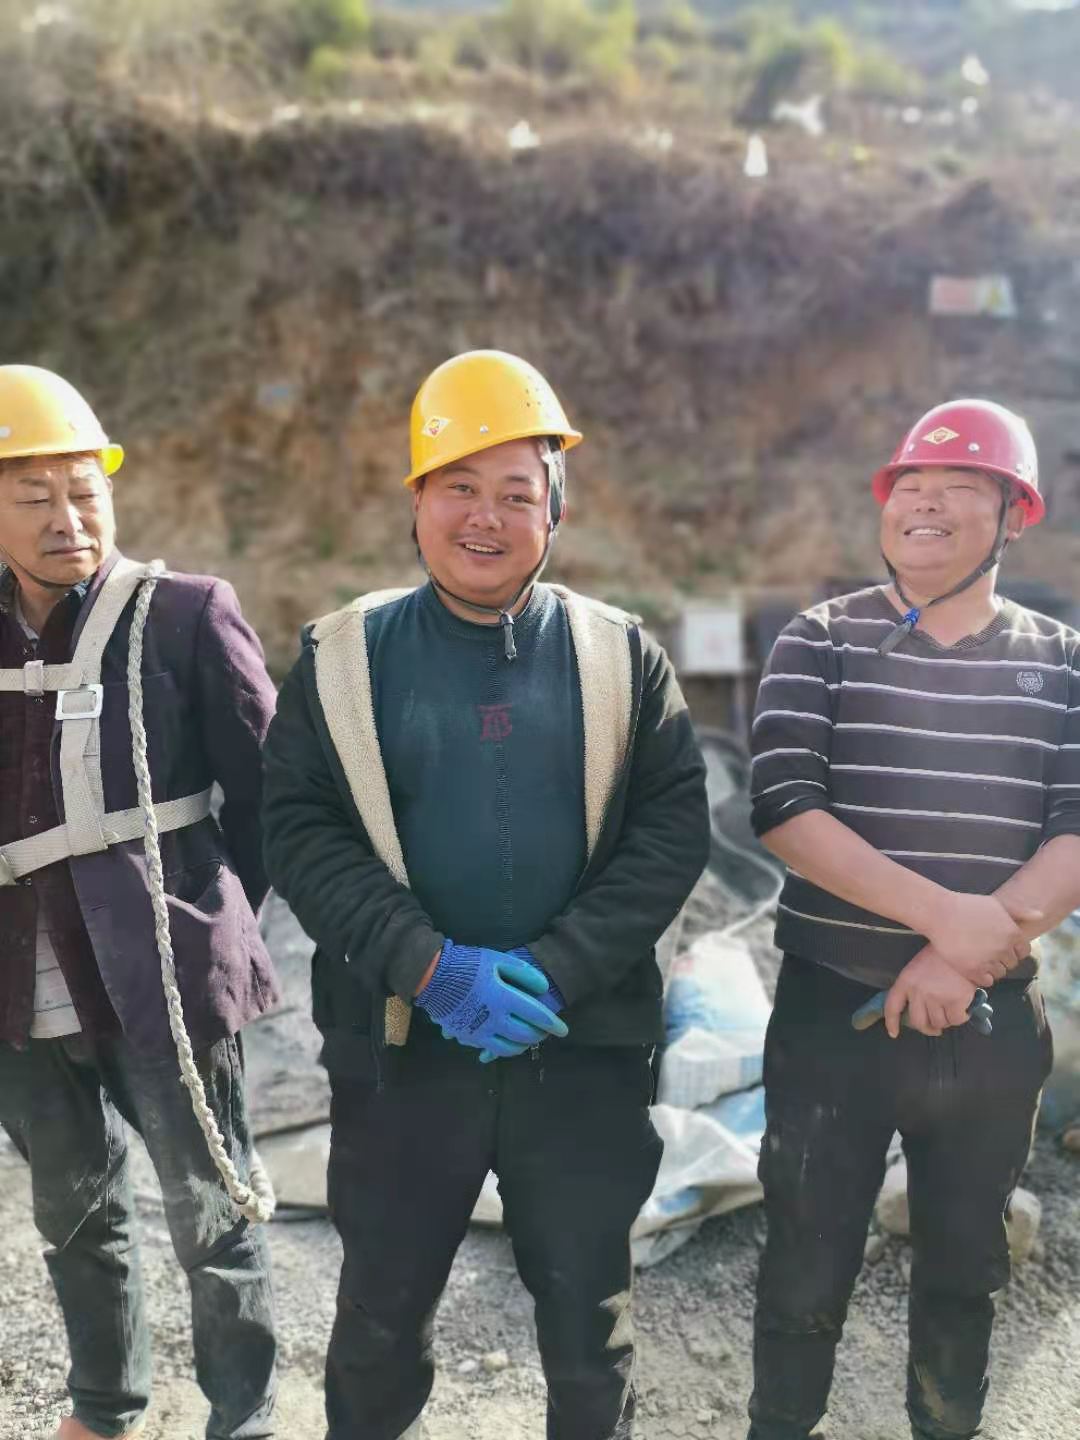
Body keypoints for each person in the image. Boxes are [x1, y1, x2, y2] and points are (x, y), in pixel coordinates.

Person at [262, 349, 710, 1440]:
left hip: (582, 1050)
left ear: (555, 509)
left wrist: (557, 970)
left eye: (517, 492)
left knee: (589, 1323)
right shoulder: (342, 659)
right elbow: (301, 832)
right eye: (459, 486)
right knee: (380, 1316)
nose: (487, 516)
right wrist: (429, 966)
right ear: (416, 498)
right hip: (404, 1052)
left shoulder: (622, 658)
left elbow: (671, 832)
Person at [746, 398, 1080, 1440]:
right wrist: (951, 926)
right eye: (910, 487)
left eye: (960, 487)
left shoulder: (1064, 661)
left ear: (1013, 516)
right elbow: (785, 809)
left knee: (965, 1274)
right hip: (831, 1019)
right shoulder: (821, 638)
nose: (923, 503)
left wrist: (965, 960)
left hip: (989, 1032)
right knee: (803, 1269)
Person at [0, 365, 280, 1440]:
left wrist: (211, 925)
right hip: (23, 989)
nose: (67, 519)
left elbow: (270, 797)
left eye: (85, 492)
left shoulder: (184, 616)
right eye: (35, 496)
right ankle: (104, 1407)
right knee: (74, 1216)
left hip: (162, 974)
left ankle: (242, 1419)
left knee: (214, 1213)